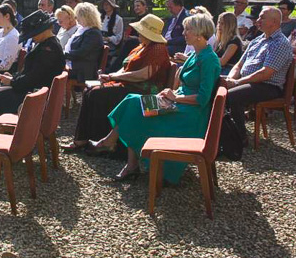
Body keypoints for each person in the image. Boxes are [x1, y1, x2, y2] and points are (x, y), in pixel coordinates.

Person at [88, 13, 220, 182]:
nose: (184, 33)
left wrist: (175, 97)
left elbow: (203, 98)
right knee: (132, 102)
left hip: (189, 115)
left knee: (135, 106)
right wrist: (168, 95)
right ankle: (124, 158)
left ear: (200, 34)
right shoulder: (196, 54)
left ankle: (115, 148)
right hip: (178, 104)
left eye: (188, 30)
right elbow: (183, 87)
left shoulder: (209, 59)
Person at [63, 14, 171, 153]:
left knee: (97, 94)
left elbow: (145, 74)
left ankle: (101, 141)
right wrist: (110, 76)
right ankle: (83, 138)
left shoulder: (157, 49)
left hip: (144, 90)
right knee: (89, 90)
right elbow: (125, 66)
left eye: (141, 31)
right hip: (129, 84)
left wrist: (116, 77)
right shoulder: (141, 46)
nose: (138, 33)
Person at [0, 11, 65, 132]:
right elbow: (32, 74)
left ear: (44, 30)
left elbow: (34, 78)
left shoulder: (48, 49)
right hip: (32, 89)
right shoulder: (46, 44)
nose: (32, 37)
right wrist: (13, 78)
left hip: (35, 95)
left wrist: (12, 82)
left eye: (33, 34)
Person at [223, 7, 294, 144]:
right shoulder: (257, 40)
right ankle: (220, 131)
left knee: (231, 96)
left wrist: (238, 82)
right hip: (249, 82)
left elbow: (265, 73)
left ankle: (239, 137)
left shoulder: (280, 43)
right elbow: (239, 65)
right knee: (215, 88)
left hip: (268, 86)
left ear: (274, 22)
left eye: (262, 18)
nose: (258, 20)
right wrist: (231, 78)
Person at [65, 2, 106, 83]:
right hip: (76, 64)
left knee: (53, 68)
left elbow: (82, 53)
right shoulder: (82, 29)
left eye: (78, 16)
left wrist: (63, 55)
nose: (76, 18)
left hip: (83, 70)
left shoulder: (93, 33)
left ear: (86, 17)